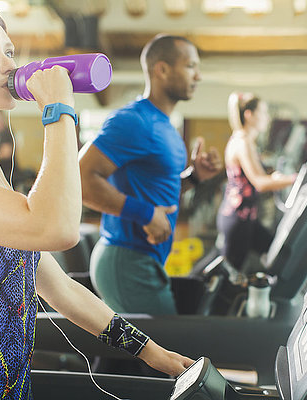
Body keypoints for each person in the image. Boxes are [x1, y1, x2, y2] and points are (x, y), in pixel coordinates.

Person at [0, 5, 192, 399]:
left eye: (9, 51)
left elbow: (59, 287)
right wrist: (59, 110)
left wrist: (150, 351)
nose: (7, 64)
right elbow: (57, 229)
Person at [79, 34, 222, 315]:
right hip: (127, 261)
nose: (199, 76)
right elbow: (81, 181)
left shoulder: (164, 125)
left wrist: (193, 178)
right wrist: (145, 214)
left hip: (143, 260)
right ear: (162, 69)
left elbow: (152, 190)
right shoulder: (134, 121)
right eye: (191, 66)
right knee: (168, 352)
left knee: (139, 357)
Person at [216, 92, 297, 271]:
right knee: (227, 276)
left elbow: (259, 176)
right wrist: (293, 179)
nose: (267, 118)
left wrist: (276, 178)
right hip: (238, 219)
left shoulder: (245, 141)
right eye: (263, 113)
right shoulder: (243, 142)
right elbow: (259, 182)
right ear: (249, 115)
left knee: (277, 255)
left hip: (247, 218)